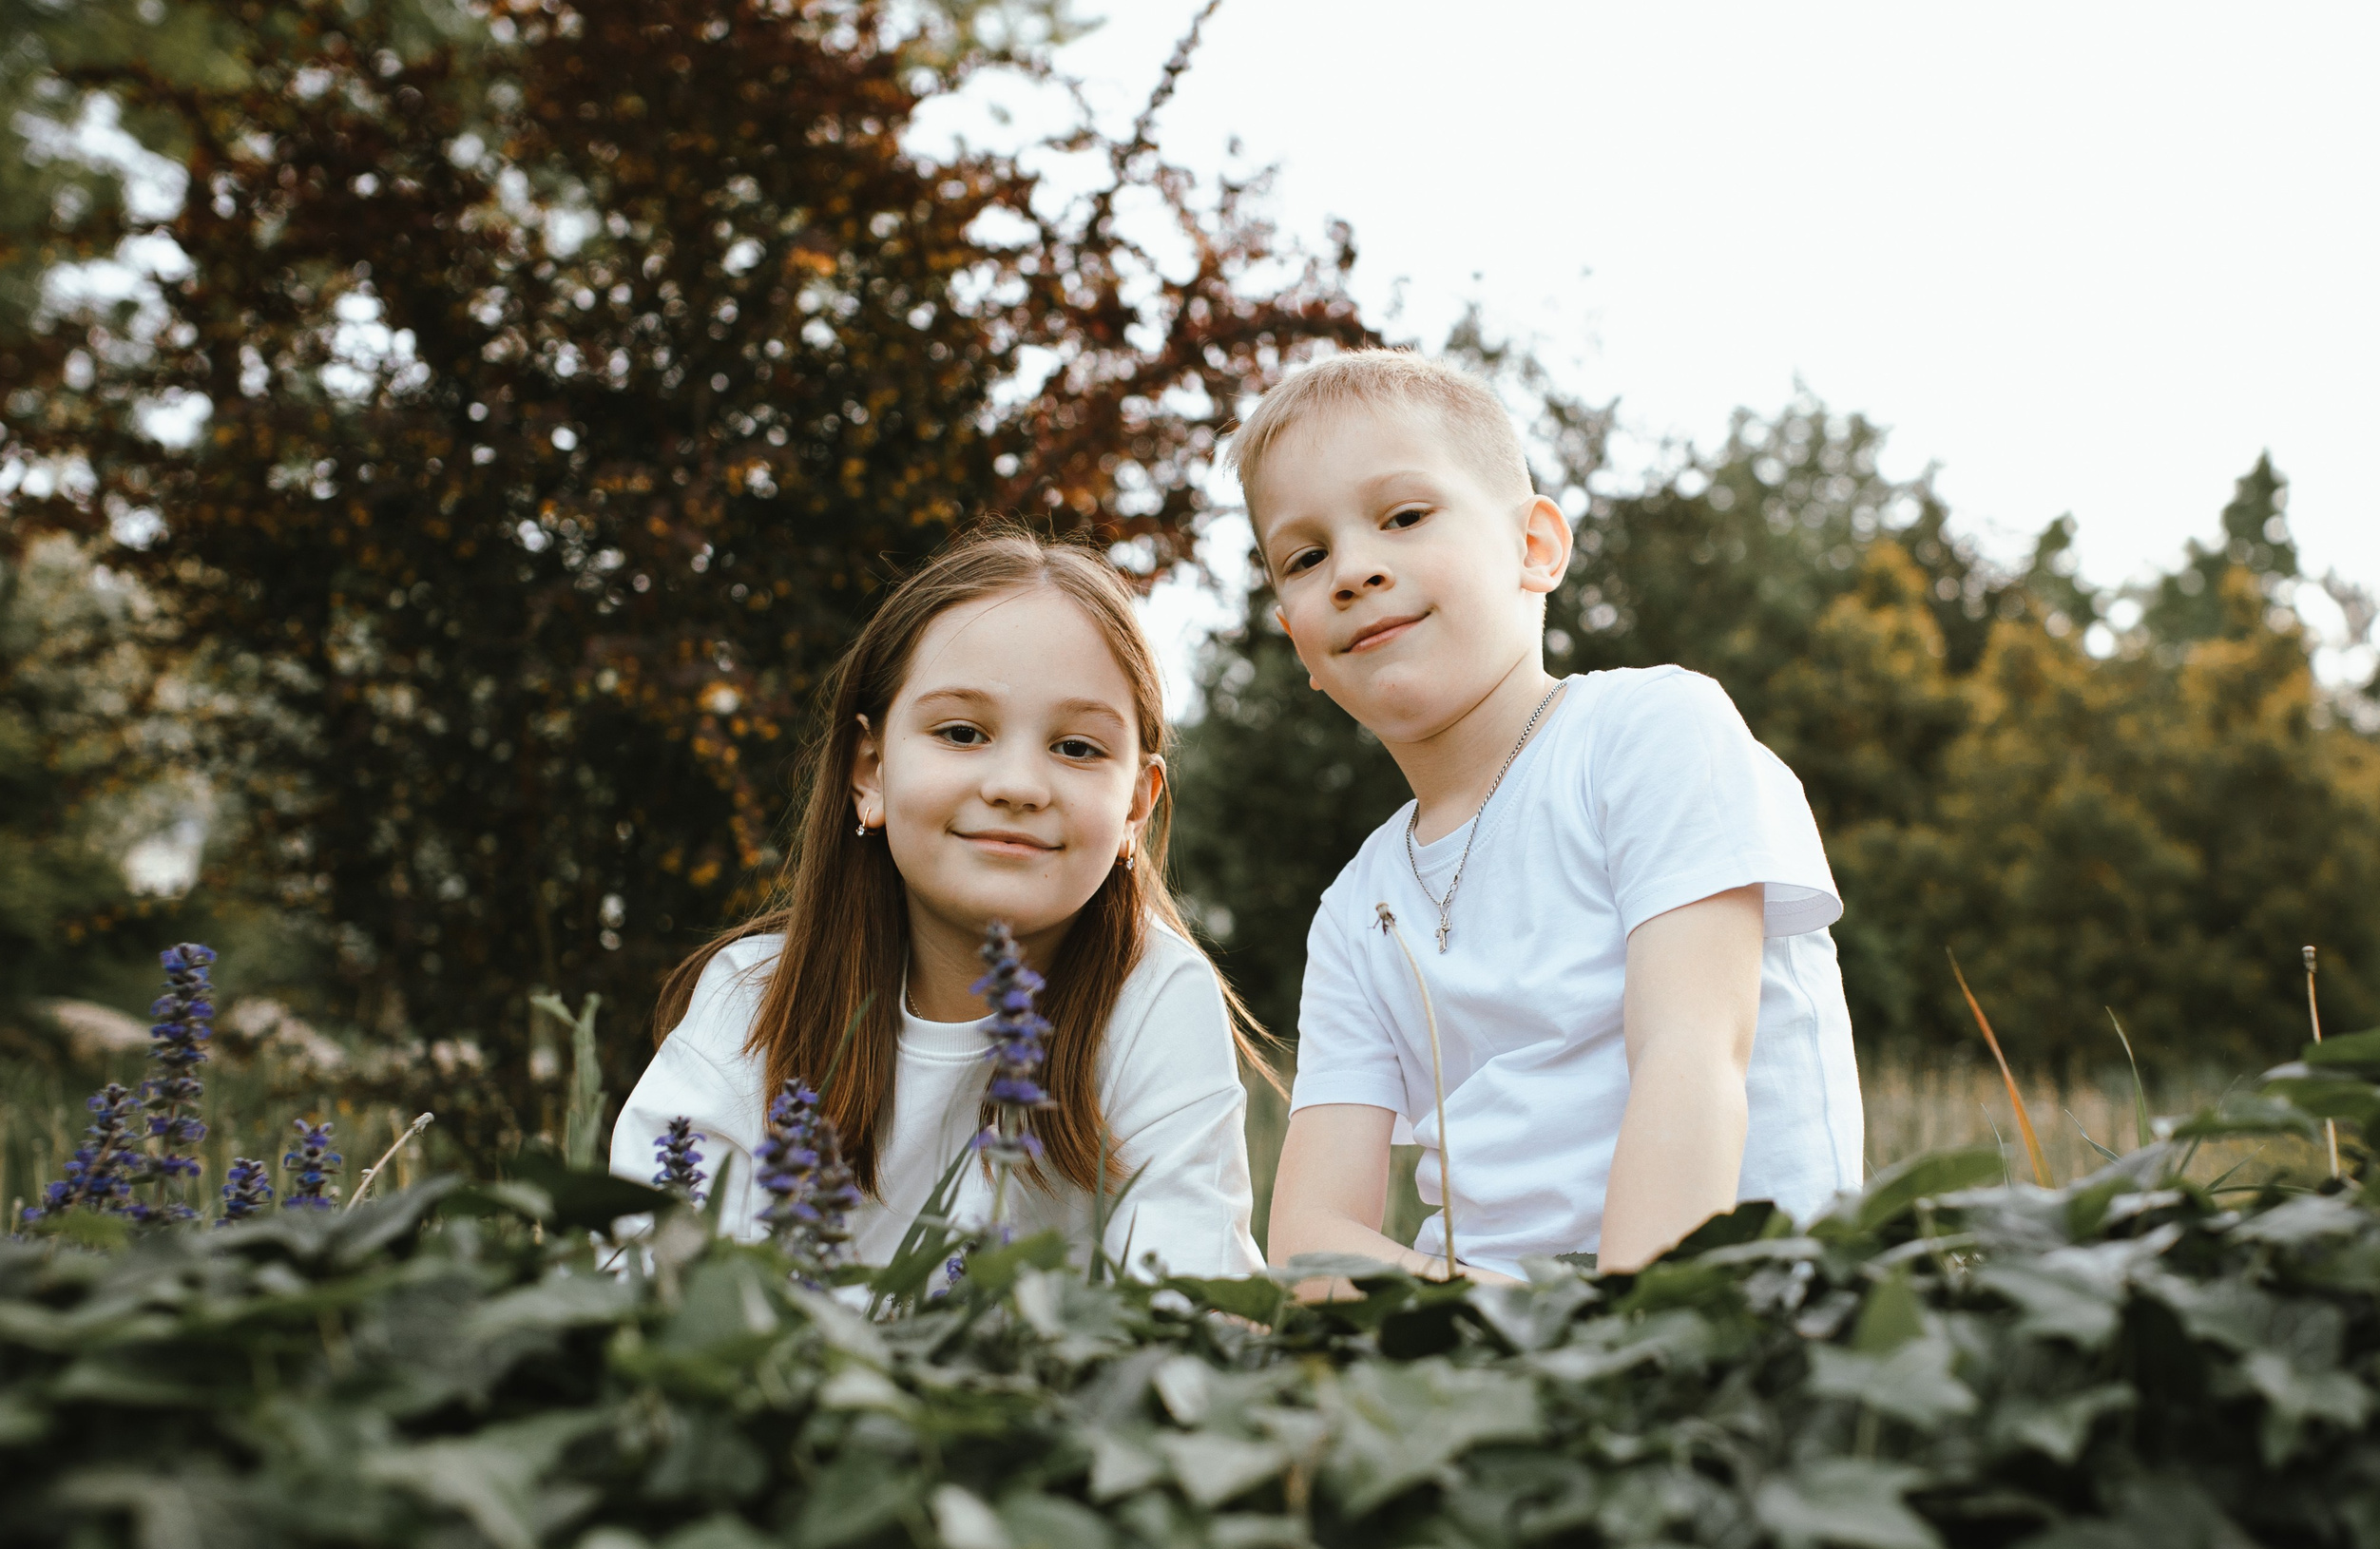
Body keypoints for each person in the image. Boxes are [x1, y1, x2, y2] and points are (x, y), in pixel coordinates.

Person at [1241, 350, 1862, 1278]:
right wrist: (1486, 1324)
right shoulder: (1352, 912)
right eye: (1305, 556)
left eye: (1403, 517)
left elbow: (1692, 1056)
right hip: (1483, 1316)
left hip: (1721, 1301)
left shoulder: (1648, 733)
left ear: (1534, 547)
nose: (1353, 570)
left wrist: (1613, 1349)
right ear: (1295, 637)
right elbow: (1310, 1236)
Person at [611, 526, 1268, 1279]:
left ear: (1135, 809)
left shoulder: (1154, 997)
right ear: (870, 771)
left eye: (1078, 747)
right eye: (962, 732)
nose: (1018, 784)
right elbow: (639, 1283)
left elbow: (1190, 1299)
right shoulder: (750, 1001)